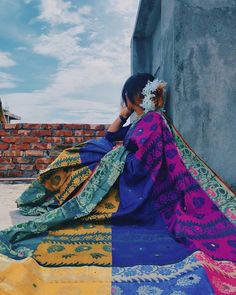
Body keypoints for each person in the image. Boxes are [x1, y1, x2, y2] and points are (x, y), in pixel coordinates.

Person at [0, 73, 235, 294]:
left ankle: (61, 194)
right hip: (124, 171)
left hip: (137, 187)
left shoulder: (153, 121)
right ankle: (58, 193)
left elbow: (142, 164)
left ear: (133, 97)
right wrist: (123, 117)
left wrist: (115, 159)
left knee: (86, 156)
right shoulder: (140, 122)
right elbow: (110, 137)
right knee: (84, 152)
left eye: (125, 98)